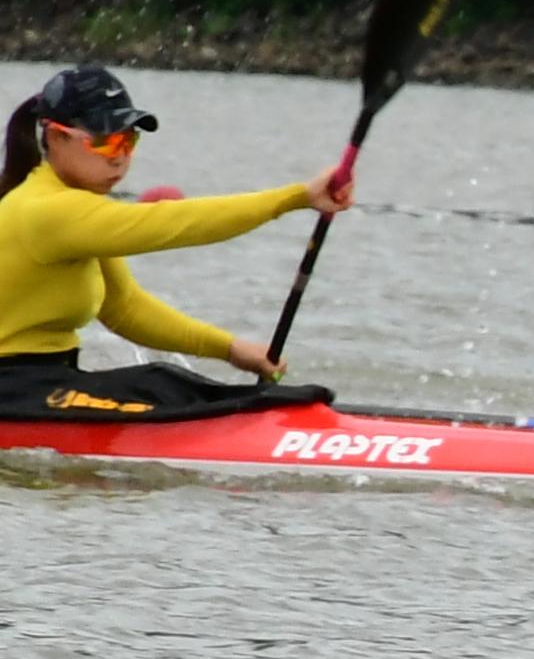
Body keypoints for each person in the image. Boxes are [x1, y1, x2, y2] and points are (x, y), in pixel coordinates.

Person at [0, 64, 352, 419]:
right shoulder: (46, 211)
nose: (120, 157)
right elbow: (177, 223)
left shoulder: (74, 210)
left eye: (128, 140)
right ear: (56, 137)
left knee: (167, 380)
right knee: (158, 384)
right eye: (105, 142)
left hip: (47, 383)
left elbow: (126, 310)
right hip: (13, 390)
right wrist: (297, 197)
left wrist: (232, 350)